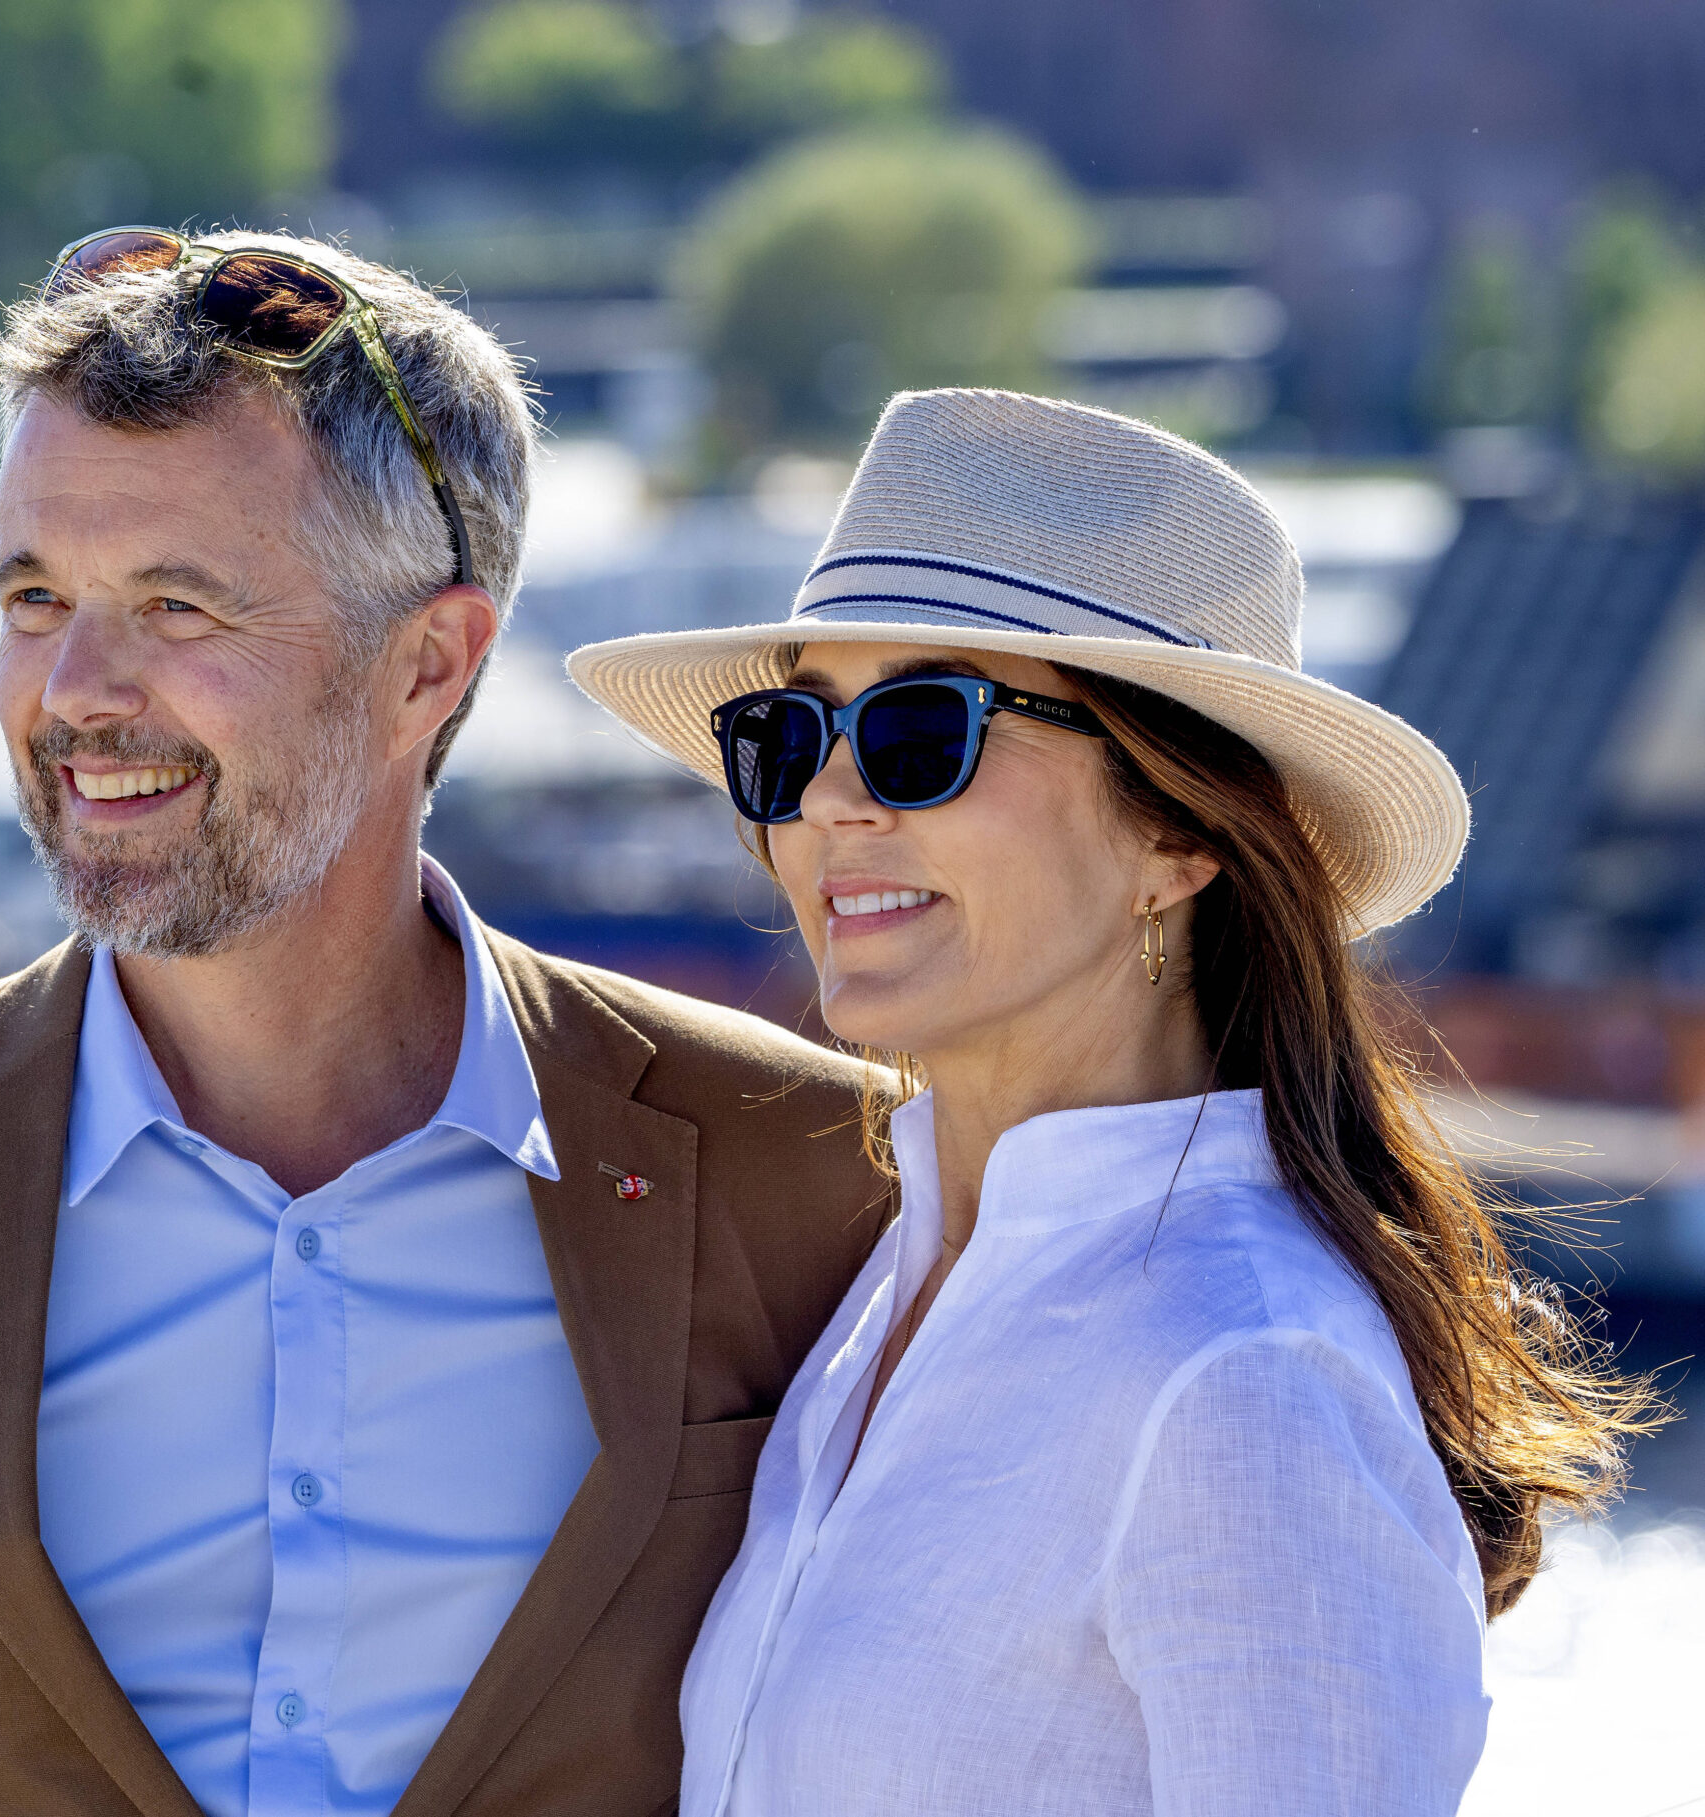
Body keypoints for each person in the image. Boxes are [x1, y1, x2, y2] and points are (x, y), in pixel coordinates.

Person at [0, 229, 891, 1817]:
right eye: (37, 595)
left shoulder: (817, 1168)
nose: (77, 688)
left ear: (429, 665)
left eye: (178, 606)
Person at [568, 388, 1665, 1816]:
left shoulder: (1246, 1377)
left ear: (1178, 830)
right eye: (788, 735)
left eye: (918, 729)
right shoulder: (891, 1302)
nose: (830, 800)